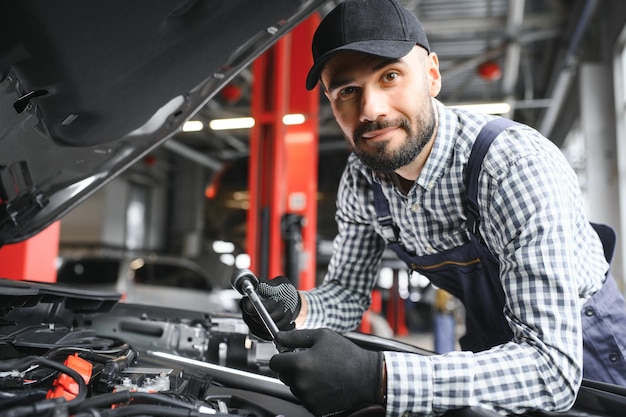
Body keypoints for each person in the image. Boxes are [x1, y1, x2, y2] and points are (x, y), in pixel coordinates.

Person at [239, 0, 626, 416]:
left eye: (390, 76)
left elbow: (552, 370)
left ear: (432, 75)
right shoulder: (362, 178)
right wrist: (296, 309)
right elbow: (348, 296)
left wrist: (377, 376)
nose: (371, 110)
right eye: (348, 91)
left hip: (589, 360)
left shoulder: (512, 168)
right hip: (493, 348)